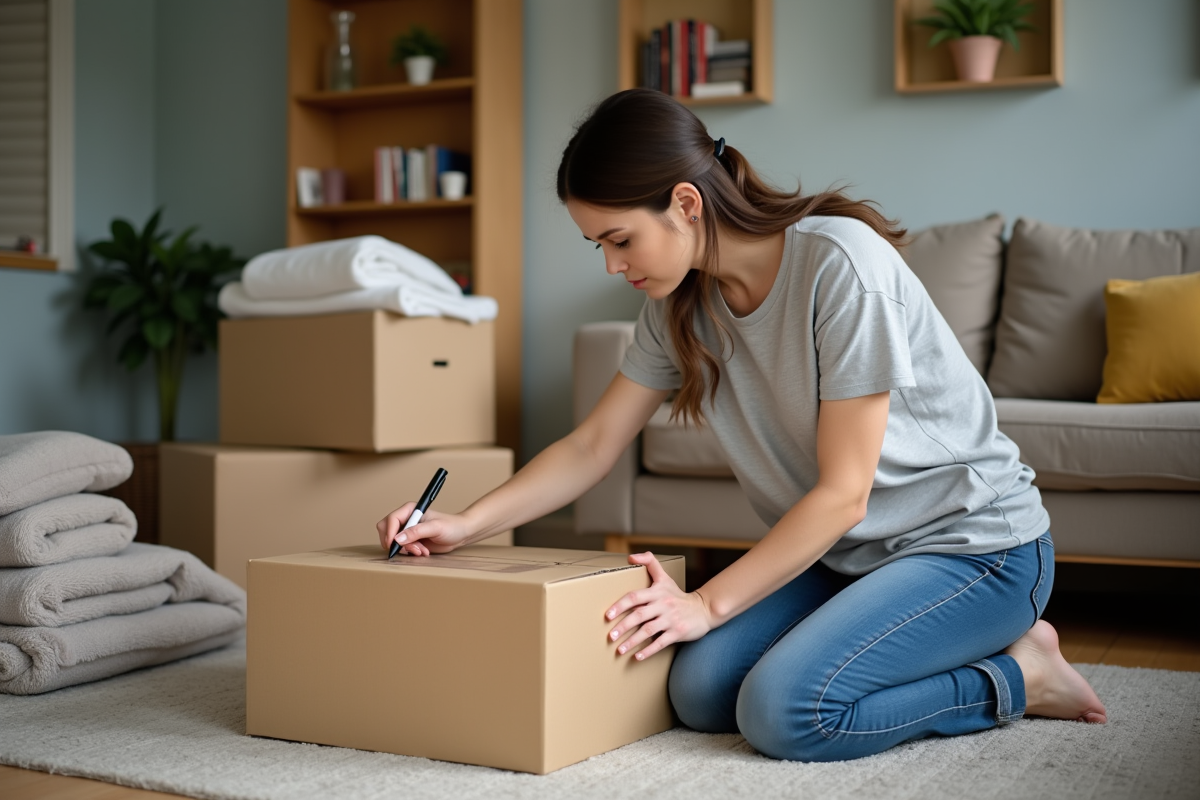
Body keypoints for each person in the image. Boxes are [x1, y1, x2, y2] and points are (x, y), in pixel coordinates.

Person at [376, 88, 1107, 762]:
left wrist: (704, 604)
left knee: (784, 712)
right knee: (697, 693)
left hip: (975, 548)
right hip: (849, 559)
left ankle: (1020, 675)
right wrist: (466, 524)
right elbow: (591, 445)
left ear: (686, 203)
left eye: (620, 238)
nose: (610, 264)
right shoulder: (675, 306)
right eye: (598, 244)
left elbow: (844, 494)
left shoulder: (841, 268)